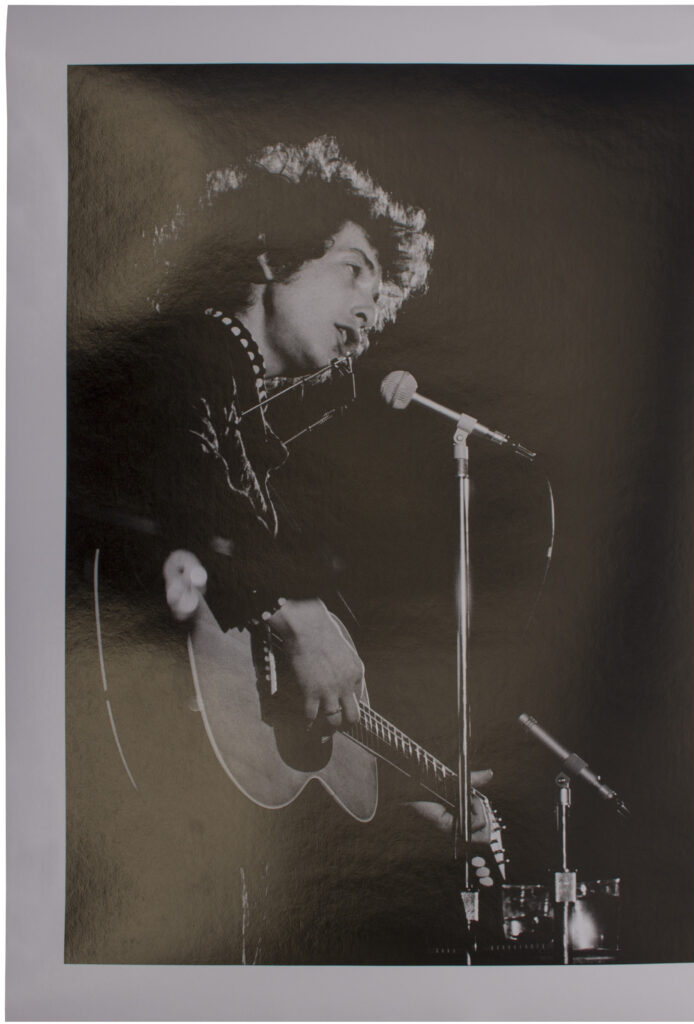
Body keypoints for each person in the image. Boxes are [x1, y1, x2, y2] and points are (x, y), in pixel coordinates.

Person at [66, 136, 494, 964]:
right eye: (357, 267)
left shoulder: (247, 429)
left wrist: (401, 793)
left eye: (383, 293)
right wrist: (290, 605)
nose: (373, 307)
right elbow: (166, 454)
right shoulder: (175, 357)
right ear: (271, 245)